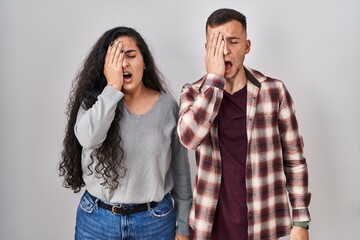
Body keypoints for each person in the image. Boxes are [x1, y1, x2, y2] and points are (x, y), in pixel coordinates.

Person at [177, 8, 311, 240]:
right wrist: (214, 81)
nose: (225, 50)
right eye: (216, 43)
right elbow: (189, 139)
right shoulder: (192, 93)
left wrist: (300, 221)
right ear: (207, 49)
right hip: (210, 225)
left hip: (263, 223)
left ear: (247, 46)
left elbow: (295, 159)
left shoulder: (274, 91)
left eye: (232, 41)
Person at [59, 26, 192, 240]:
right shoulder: (94, 103)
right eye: (115, 58)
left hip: (154, 223)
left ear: (145, 62)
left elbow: (181, 172)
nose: (123, 63)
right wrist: (112, 88)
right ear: (105, 66)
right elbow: (88, 139)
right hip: (96, 222)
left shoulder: (168, 106)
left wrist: (183, 226)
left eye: (131, 55)